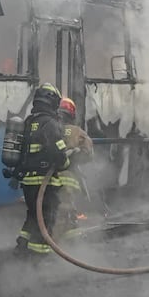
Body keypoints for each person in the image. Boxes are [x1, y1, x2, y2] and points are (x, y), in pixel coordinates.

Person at [15, 83, 69, 256]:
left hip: (28, 182)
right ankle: (39, 259)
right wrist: (68, 162)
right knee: (45, 221)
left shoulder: (29, 122)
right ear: (51, 101)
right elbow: (59, 156)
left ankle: (21, 249)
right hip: (43, 183)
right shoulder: (50, 124)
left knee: (32, 217)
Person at [56, 97, 93, 238]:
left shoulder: (50, 128)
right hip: (68, 177)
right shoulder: (77, 132)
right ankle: (70, 243)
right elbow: (89, 154)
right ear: (72, 115)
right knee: (66, 211)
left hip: (47, 177)